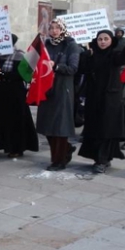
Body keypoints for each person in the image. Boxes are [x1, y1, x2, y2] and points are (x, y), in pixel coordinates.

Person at [78, 30, 125, 173]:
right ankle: (99, 158)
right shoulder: (92, 55)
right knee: (95, 128)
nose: (103, 42)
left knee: (107, 129)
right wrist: (84, 56)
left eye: (106, 39)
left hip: (110, 99)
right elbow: (82, 69)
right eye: (100, 39)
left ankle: (103, 160)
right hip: (94, 99)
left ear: (111, 40)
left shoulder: (114, 55)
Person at [0, 34, 39, 158]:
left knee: (15, 121)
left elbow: (21, 75)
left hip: (15, 92)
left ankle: (16, 148)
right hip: (0, 91)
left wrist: (1, 73)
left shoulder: (19, 55)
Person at [36, 19, 81, 171]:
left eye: (57, 28)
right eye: (52, 28)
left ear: (62, 29)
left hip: (62, 88)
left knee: (60, 126)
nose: (54, 31)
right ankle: (65, 149)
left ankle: (59, 160)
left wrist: (56, 66)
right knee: (47, 124)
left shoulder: (70, 45)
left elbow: (73, 68)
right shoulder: (46, 44)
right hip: (47, 88)